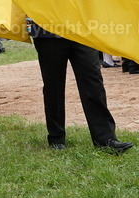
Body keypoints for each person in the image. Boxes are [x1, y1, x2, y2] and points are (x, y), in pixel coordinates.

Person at [29, 22, 132, 153]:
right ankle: (56, 138)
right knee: (53, 86)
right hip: (48, 30)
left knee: (94, 83)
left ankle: (105, 139)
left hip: (83, 30)